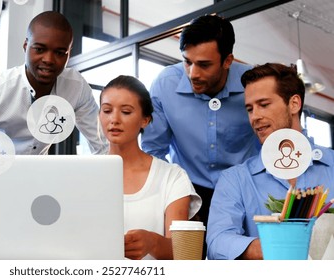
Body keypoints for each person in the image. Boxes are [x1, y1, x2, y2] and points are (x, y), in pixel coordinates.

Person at [140, 14, 260, 257]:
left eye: (204, 65)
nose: (192, 73)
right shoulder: (165, 85)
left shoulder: (254, 84)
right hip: (189, 189)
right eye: (187, 62)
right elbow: (154, 151)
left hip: (244, 187)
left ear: (228, 61)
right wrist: (175, 198)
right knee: (187, 262)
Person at [206, 63, 334, 260]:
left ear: (294, 104)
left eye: (264, 105)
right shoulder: (235, 179)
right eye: (250, 109)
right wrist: (274, 246)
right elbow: (216, 242)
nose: (255, 116)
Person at [0, 11, 107, 158]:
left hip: (40, 174)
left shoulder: (76, 87)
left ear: (69, 53)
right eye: (40, 49)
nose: (49, 60)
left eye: (59, 52)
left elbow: (103, 145)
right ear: (26, 46)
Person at [99, 75, 201, 260]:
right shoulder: (84, 174)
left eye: (126, 112)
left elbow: (182, 254)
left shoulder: (172, 177)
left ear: (145, 120)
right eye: (106, 110)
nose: (114, 119)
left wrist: (152, 242)